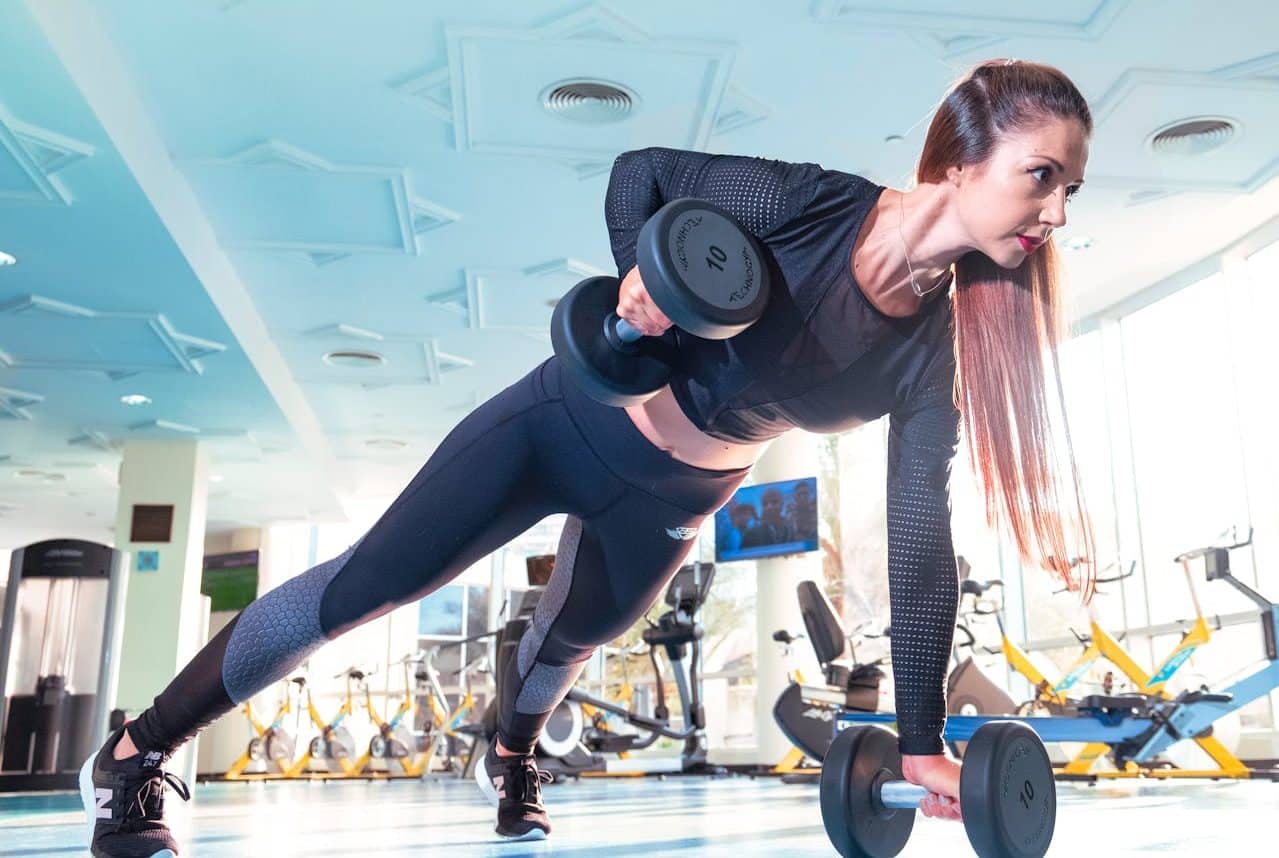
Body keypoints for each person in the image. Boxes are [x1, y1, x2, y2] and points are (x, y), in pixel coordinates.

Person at [81, 58, 1096, 856]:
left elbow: (921, 541)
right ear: (959, 165)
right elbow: (641, 175)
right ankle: (136, 752)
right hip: (560, 419)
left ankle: (513, 753)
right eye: (1040, 175)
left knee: (576, 639)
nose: (1055, 213)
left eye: (1071, 189)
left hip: (672, 493)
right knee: (369, 587)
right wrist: (635, 279)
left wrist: (920, 742)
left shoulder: (931, 357)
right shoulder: (817, 206)